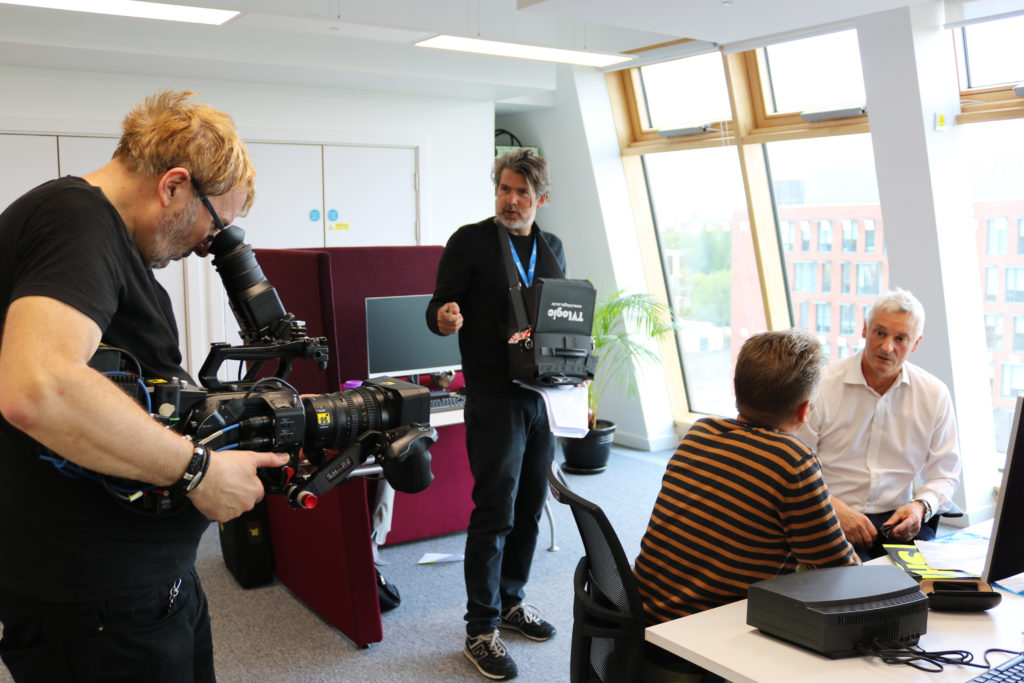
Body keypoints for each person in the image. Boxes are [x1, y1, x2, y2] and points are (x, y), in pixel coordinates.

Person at [0, 90, 288, 683]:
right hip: (96, 606)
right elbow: (40, 387)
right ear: (174, 185)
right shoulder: (75, 220)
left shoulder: (100, 238)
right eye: (215, 222)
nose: (208, 244)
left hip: (142, 590)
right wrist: (197, 471)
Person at [426, 148, 563, 681]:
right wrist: (444, 316)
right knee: (495, 512)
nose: (510, 200)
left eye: (521, 193)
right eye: (504, 189)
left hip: (541, 397)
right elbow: (438, 307)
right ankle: (479, 629)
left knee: (530, 506)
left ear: (541, 200)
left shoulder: (552, 248)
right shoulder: (470, 241)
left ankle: (511, 601)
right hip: (493, 394)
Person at [634, 329, 858, 634]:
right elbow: (842, 576)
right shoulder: (792, 461)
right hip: (703, 635)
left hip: (645, 613)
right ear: (805, 411)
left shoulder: (699, 433)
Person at [797, 288, 961, 561]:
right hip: (830, 511)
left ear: (916, 343)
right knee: (851, 590)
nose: (887, 347)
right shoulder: (822, 385)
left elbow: (945, 474)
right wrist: (831, 507)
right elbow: (797, 467)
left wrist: (921, 506)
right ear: (864, 330)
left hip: (896, 520)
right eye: (880, 333)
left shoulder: (934, 394)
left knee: (924, 591)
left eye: (900, 339)